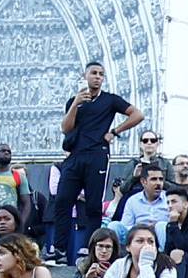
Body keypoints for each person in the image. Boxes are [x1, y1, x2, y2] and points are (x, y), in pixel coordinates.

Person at [48, 60, 142, 262]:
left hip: (97, 155)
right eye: (94, 73)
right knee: (63, 200)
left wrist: (115, 132)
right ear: (85, 75)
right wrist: (75, 104)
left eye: (101, 74)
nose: (97, 77)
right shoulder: (75, 100)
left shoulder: (110, 100)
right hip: (74, 156)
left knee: (93, 205)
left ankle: (89, 249)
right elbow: (66, 128)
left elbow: (138, 114)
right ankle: (60, 250)